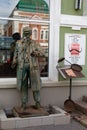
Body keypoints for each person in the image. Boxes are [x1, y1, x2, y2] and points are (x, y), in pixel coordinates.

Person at [12, 26, 48, 109]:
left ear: (31, 33)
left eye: (28, 32)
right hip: (22, 66)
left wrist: (35, 53)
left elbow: (43, 53)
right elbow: (16, 53)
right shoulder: (18, 43)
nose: (27, 34)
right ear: (23, 33)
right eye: (25, 32)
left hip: (33, 67)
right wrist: (14, 62)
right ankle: (23, 103)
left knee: (35, 85)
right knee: (23, 86)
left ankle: (38, 102)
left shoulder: (35, 43)